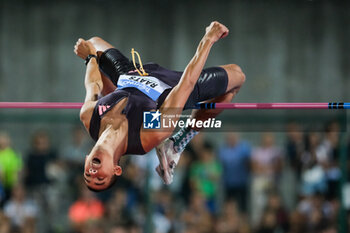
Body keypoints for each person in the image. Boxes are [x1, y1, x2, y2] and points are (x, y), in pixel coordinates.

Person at [74, 21, 246, 191]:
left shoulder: (89, 117)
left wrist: (89, 58)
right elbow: (186, 84)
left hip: (129, 76)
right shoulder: (147, 134)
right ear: (116, 169)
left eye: (87, 175)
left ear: (86, 160)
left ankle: (173, 143)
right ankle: (182, 138)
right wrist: (208, 38)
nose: (93, 172)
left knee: (92, 43)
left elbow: (94, 85)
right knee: (237, 76)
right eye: (100, 178)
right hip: (171, 87)